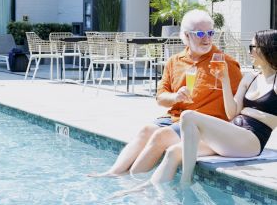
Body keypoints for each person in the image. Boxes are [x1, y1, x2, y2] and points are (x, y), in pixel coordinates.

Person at [89, 10, 242, 178]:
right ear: (186, 36)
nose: (206, 39)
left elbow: (237, 107)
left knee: (160, 136)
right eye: (200, 33)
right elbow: (160, 97)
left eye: (210, 33)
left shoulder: (224, 63)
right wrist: (175, 97)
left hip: (201, 125)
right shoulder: (175, 61)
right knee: (146, 130)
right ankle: (114, 173)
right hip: (175, 118)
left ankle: (133, 180)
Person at [144, 29, 277, 186]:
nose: (249, 51)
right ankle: (149, 187)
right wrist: (224, 80)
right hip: (232, 132)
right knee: (174, 151)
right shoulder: (250, 77)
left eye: (252, 47)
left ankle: (186, 181)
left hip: (251, 140)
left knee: (188, 116)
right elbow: (231, 113)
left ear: (266, 48)